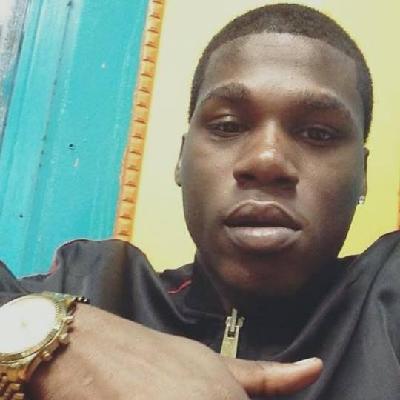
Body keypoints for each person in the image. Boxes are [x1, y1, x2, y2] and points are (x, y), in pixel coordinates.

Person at [0, 3, 399, 399]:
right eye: (228, 126)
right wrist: (52, 342)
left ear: (362, 174)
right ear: (180, 159)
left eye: (318, 134)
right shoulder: (98, 283)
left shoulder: (386, 296)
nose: (266, 160)